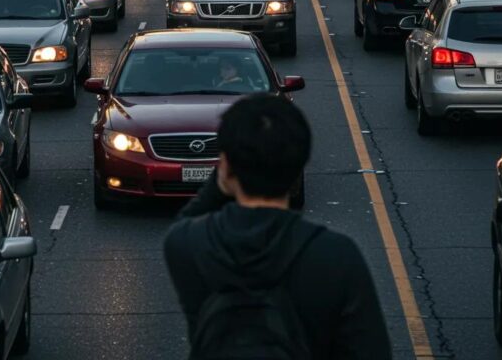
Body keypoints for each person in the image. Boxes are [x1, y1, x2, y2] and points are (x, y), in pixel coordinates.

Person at [164, 95, 391, 360]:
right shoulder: (338, 256)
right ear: (299, 166)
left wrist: (223, 174)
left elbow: (187, 219)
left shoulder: (186, 246)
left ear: (225, 167)